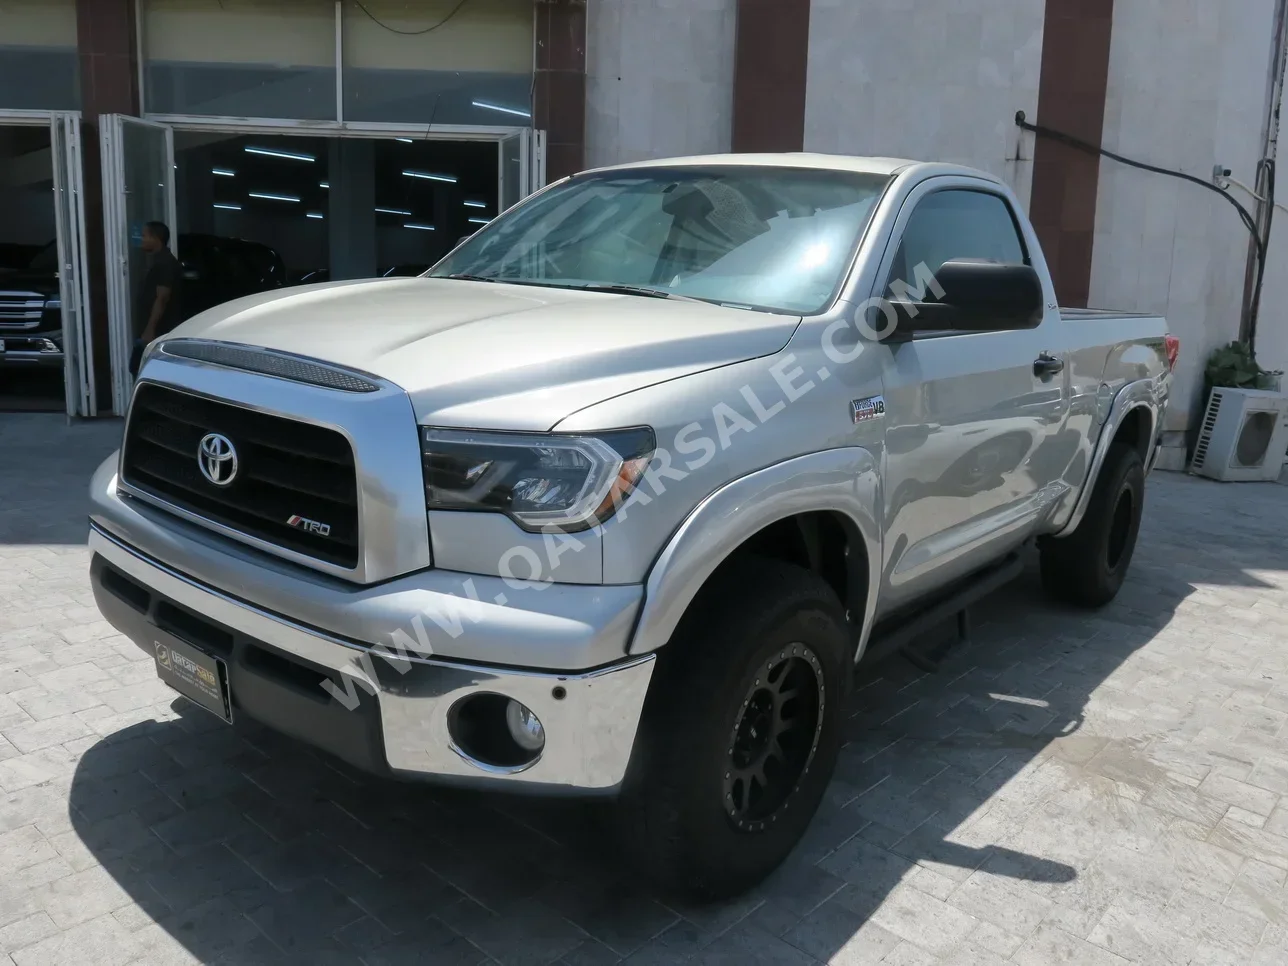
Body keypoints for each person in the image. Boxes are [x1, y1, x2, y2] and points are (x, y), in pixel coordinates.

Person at [129, 221, 183, 378]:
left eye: (145, 236)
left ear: (156, 238)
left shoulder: (165, 264)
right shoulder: (157, 262)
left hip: (158, 331)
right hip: (153, 330)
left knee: (141, 370)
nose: (141, 239)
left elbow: (162, 298)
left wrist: (150, 329)